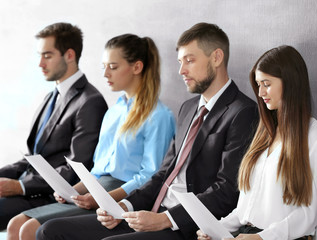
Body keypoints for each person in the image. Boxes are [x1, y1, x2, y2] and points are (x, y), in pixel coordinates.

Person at [36, 22, 259, 240]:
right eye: (180, 61)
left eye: (190, 61)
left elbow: (227, 191)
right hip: (150, 210)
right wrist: (123, 205)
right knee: (49, 230)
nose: (181, 70)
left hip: (185, 225)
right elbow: (164, 173)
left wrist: (165, 219)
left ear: (217, 57)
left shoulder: (243, 112)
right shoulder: (188, 108)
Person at [6, 34, 176, 240]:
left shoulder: (159, 116)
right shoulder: (113, 112)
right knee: (17, 225)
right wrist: (72, 191)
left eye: (113, 67)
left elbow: (150, 176)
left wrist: (103, 198)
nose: (105, 73)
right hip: (96, 190)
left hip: (123, 195)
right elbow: (97, 170)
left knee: (30, 229)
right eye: (104, 66)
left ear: (137, 67)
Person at [197, 45, 317, 240]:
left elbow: (308, 215)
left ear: (290, 83)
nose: (261, 93)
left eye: (267, 84)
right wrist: (217, 228)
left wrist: (262, 237)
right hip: (246, 234)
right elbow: (246, 208)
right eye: (258, 85)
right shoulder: (265, 133)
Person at [0, 22, 108, 230]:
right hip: (31, 189)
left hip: (51, 197)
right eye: (40, 55)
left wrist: (20, 187)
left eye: (47, 56)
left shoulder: (90, 101)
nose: (40, 63)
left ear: (69, 55)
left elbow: (77, 168)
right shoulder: (51, 96)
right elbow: (33, 157)